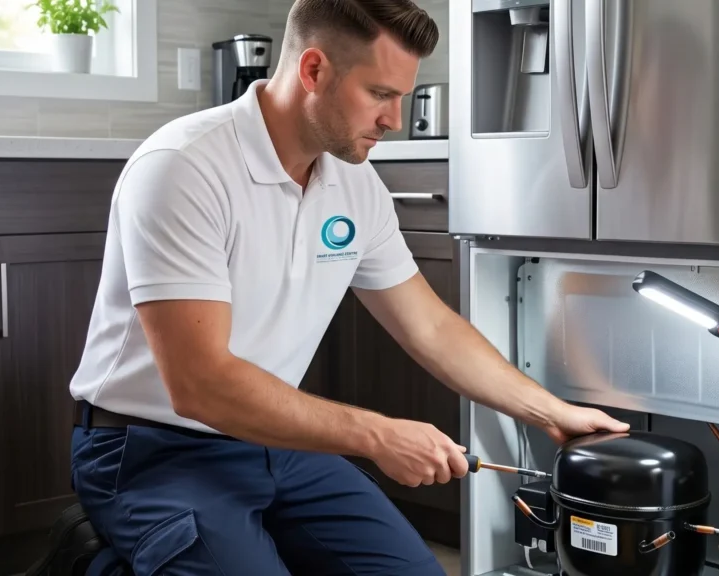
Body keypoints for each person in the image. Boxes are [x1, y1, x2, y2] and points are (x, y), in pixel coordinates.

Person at [68, 0, 630, 574]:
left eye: (402, 98)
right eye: (380, 94)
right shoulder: (183, 167)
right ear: (313, 71)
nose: (395, 119)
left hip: (276, 440)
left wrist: (551, 411)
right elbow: (200, 385)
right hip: (151, 449)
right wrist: (377, 435)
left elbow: (429, 326)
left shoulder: (355, 184)